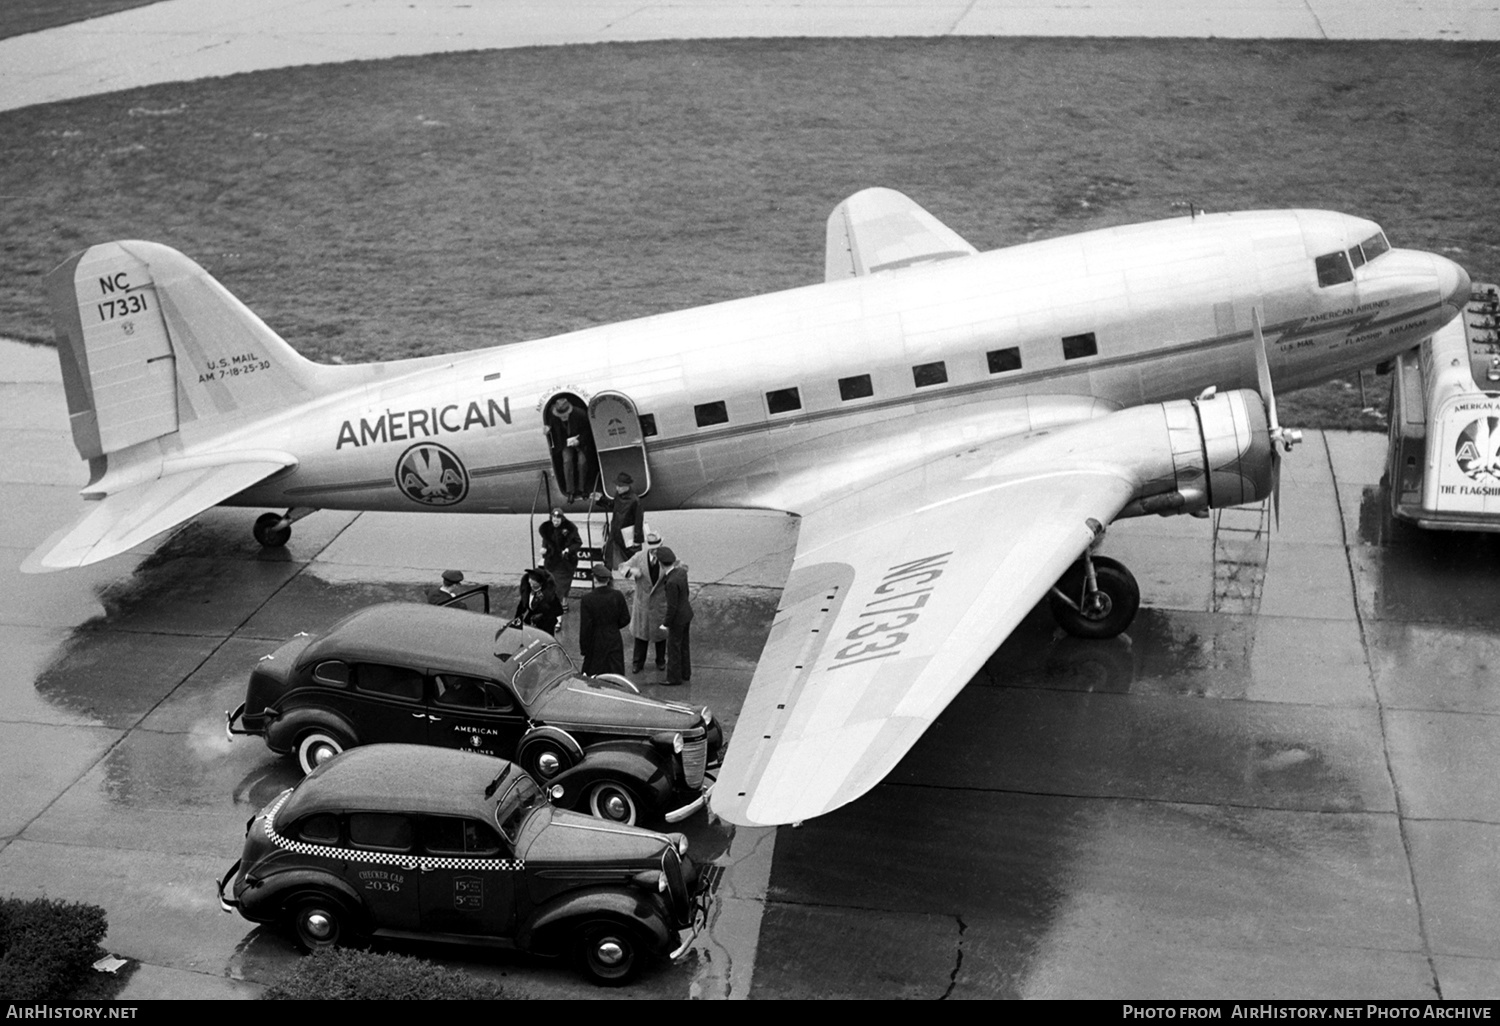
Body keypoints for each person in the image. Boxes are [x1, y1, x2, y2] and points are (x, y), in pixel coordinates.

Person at [622, 530, 668, 673]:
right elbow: (622, 566)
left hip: (660, 604)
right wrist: (631, 571)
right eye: (652, 549)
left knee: (660, 636)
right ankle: (637, 663)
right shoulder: (639, 557)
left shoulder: (666, 556)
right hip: (643, 604)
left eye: (657, 548)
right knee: (641, 636)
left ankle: (660, 661)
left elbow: (682, 568)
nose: (655, 551)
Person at [578, 562, 630, 676]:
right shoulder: (618, 595)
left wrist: (584, 648)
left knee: (594, 674)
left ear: (595, 579)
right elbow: (626, 618)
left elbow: (585, 627)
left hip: (595, 640)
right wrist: (613, 626)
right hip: (614, 637)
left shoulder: (587, 599)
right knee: (615, 673)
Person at [543, 396, 593, 503]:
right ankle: (570, 491)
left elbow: (588, 430)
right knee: (567, 461)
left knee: (582, 463)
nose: (562, 417)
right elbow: (549, 424)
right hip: (565, 442)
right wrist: (547, 428)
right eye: (560, 415)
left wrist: (579, 440)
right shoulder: (553, 416)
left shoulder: (580, 414)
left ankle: (582, 489)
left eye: (564, 415)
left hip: (580, 441)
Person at [655, 546, 693, 685]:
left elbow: (672, 606)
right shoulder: (681, 573)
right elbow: (686, 593)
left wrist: (666, 623)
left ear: (660, 563)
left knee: (673, 648)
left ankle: (673, 678)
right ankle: (685, 673)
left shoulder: (670, 582)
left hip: (677, 619)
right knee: (684, 645)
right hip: (687, 613)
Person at [594, 471, 644, 568]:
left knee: (630, 562)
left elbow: (639, 521)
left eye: (620, 486)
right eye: (617, 486)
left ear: (627, 486)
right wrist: (601, 500)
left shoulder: (635, 500)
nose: (617, 488)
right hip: (615, 533)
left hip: (626, 536)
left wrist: (637, 540)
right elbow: (614, 506)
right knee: (609, 560)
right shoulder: (618, 495)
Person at [539, 507, 582, 609]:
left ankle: (562, 602)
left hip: (565, 562)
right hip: (551, 561)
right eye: (554, 520)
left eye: (558, 520)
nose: (556, 522)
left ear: (562, 519)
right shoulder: (548, 528)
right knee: (551, 583)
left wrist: (568, 549)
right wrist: (544, 548)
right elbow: (546, 541)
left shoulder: (570, 528)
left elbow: (578, 542)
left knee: (563, 584)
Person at [513, 568, 564, 636]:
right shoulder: (527, 592)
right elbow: (522, 607)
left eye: (533, 580)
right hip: (531, 624)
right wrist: (516, 622)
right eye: (530, 578)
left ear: (540, 583)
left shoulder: (550, 596)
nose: (531, 581)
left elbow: (558, 611)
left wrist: (542, 615)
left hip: (546, 625)